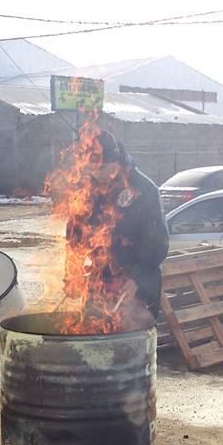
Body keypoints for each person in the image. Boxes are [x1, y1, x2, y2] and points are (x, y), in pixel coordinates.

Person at [64, 129, 169, 321]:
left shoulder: (144, 190)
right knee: (91, 332)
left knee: (130, 339)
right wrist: (74, 270)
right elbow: (75, 232)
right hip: (99, 280)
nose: (97, 173)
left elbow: (157, 243)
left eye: (102, 168)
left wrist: (137, 278)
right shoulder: (89, 188)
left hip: (135, 283)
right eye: (92, 168)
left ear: (117, 161)